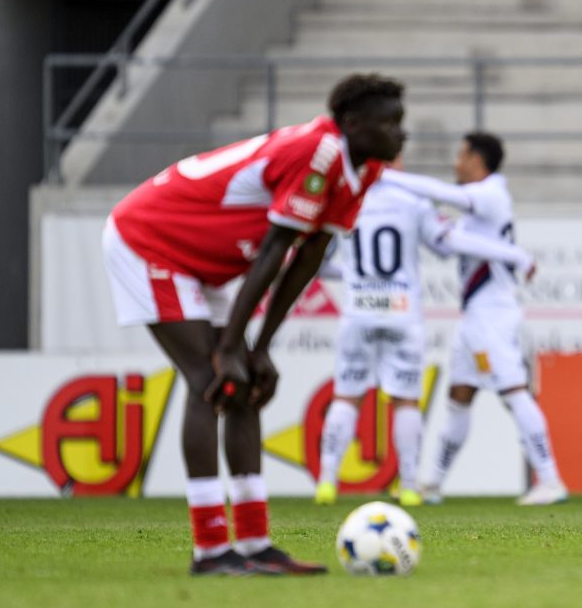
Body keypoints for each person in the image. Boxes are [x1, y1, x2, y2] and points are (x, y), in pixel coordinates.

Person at [102, 73, 405, 574]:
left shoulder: (365, 169)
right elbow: (274, 250)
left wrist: (260, 347)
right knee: (210, 381)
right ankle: (210, 550)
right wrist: (231, 350)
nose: (401, 133)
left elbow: (307, 258)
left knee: (244, 383)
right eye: (391, 122)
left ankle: (254, 544)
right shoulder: (320, 152)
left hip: (213, 262)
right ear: (352, 124)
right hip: (152, 240)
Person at [313, 172, 537, 508]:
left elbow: (319, 264)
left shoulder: (345, 199)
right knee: (404, 400)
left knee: (347, 395)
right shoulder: (412, 201)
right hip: (401, 310)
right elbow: (448, 243)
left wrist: (358, 278)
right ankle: (409, 485)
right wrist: (513, 254)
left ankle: (326, 483)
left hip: (358, 309)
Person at [379, 132, 568, 506]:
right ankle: (432, 482)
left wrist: (384, 177)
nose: (455, 163)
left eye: (460, 155)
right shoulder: (478, 212)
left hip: (493, 316)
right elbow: (455, 242)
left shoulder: (491, 194)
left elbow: (441, 193)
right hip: (474, 317)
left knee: (513, 391)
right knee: (459, 396)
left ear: (476, 160)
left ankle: (550, 480)